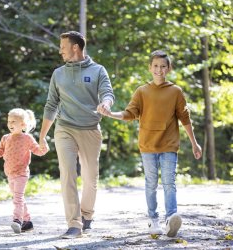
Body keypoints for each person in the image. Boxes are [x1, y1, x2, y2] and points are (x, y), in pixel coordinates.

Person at [100, 50, 202, 237]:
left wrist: (195, 143)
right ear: (150, 68)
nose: (159, 70)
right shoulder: (142, 91)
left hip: (169, 145)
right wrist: (110, 114)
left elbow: (185, 119)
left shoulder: (176, 91)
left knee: (169, 183)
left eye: (163, 66)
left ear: (169, 69)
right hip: (147, 145)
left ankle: (171, 219)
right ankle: (153, 219)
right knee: (151, 183)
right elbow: (129, 113)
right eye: (155, 66)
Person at [39, 31, 115, 239]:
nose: (60, 50)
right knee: (67, 174)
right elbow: (51, 104)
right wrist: (43, 135)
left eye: (63, 46)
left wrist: (105, 104)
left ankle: (87, 214)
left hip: (90, 128)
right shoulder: (58, 74)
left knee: (90, 177)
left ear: (75, 47)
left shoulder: (98, 70)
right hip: (64, 128)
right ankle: (74, 223)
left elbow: (107, 93)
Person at [0, 108, 49, 234]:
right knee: (19, 198)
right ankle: (27, 222)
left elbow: (39, 151)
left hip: (22, 173)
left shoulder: (27, 138)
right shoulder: (6, 138)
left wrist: (44, 146)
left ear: (23, 124)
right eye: (9, 121)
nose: (10, 124)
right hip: (10, 174)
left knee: (18, 198)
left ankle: (17, 220)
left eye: (14, 121)